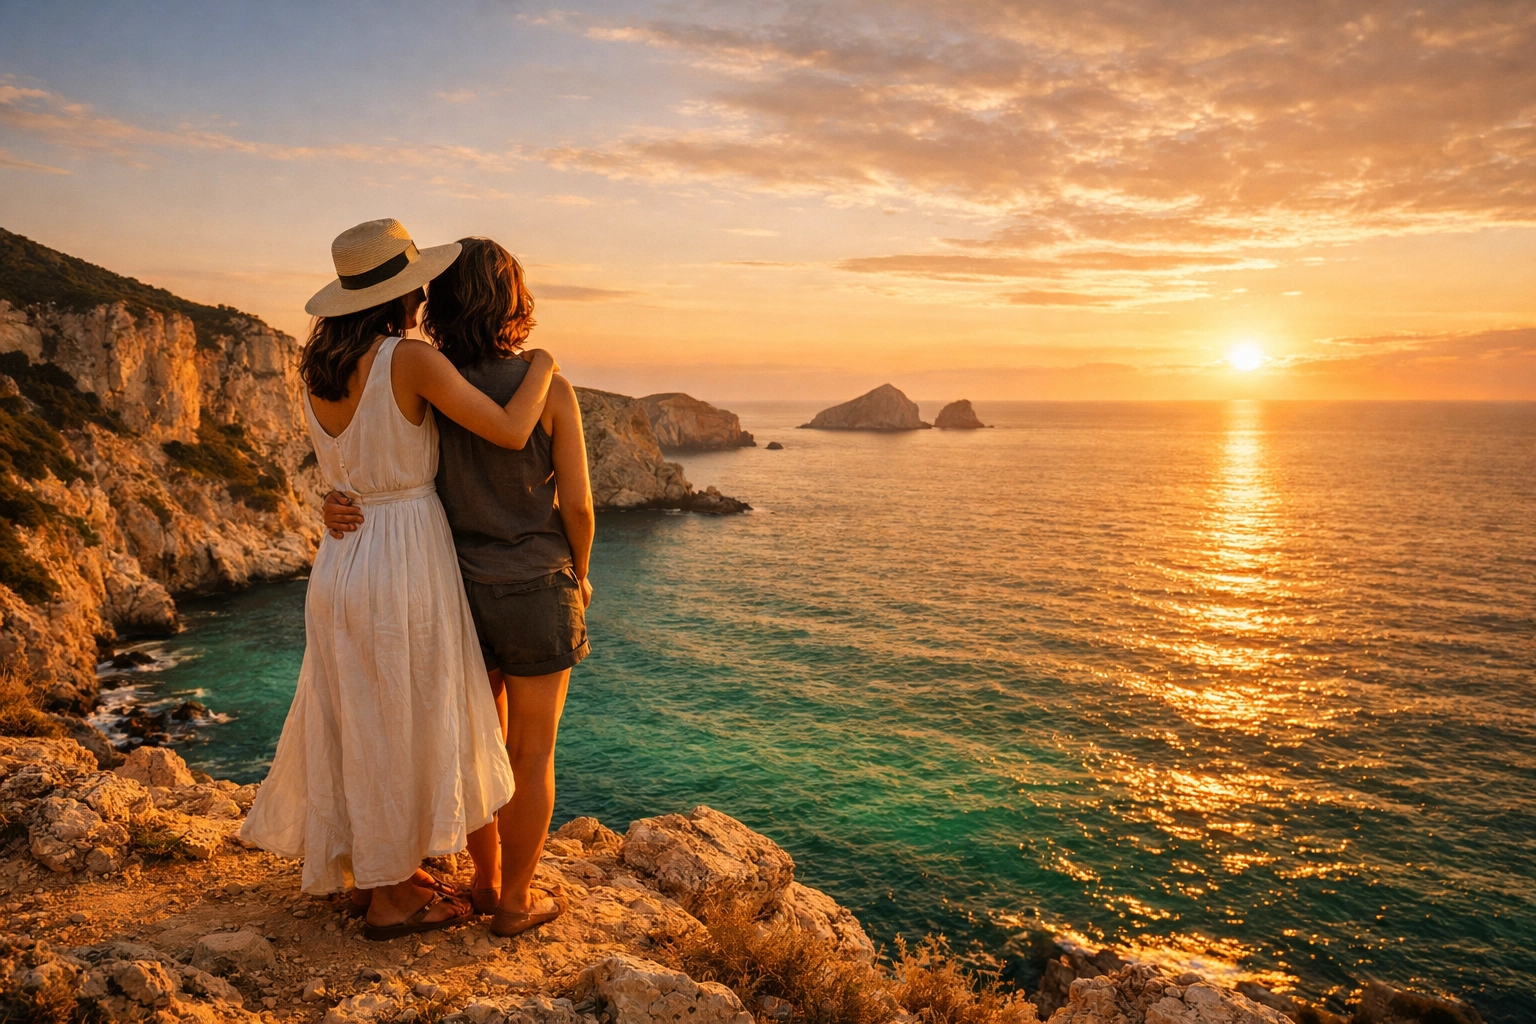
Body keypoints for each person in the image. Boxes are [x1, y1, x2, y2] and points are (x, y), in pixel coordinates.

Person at [241, 219, 559, 941]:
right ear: (405, 289)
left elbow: (345, 463)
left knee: (358, 717)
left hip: (342, 557)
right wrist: (542, 363)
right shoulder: (407, 358)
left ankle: (382, 871)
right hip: (403, 556)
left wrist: (331, 502)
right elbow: (509, 431)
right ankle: (391, 900)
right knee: (402, 721)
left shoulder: (317, 365)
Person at [322, 236, 594, 938]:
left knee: (480, 739)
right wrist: (583, 577)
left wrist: (337, 501)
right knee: (532, 754)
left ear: (442, 300)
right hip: (534, 585)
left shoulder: (427, 379)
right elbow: (581, 508)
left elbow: (376, 455)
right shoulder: (545, 386)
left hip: (449, 584)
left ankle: (484, 877)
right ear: (514, 299)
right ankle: (513, 904)